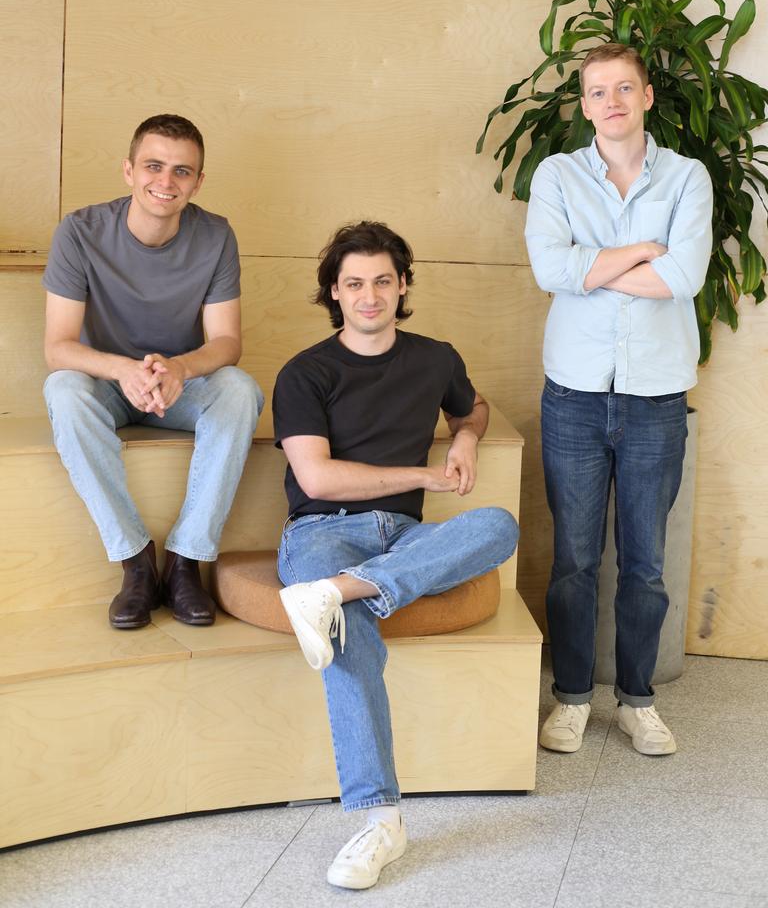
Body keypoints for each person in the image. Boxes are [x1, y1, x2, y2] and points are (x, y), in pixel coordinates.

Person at [272, 221, 519, 889]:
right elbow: (318, 480)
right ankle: (381, 820)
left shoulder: (435, 357)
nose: (371, 294)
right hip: (321, 531)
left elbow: (475, 407)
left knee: (497, 524)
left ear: (403, 285)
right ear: (335, 292)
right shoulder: (306, 371)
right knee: (350, 637)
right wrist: (425, 477)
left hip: (402, 538)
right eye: (355, 283)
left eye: (383, 280)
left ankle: (339, 590)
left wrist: (464, 438)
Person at [525, 43, 713, 756]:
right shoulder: (558, 175)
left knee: (646, 562)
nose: (612, 102)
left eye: (624, 88)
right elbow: (551, 267)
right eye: (598, 91)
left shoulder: (687, 177)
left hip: (657, 395)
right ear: (585, 104)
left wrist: (594, 267)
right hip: (573, 391)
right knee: (573, 558)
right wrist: (642, 250)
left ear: (647, 98)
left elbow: (684, 277)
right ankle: (571, 697)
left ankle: (637, 700)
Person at [42, 114, 263, 630]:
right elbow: (58, 347)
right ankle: (136, 561)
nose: (166, 182)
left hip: (176, 387)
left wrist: (179, 369)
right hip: (109, 384)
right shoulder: (79, 231)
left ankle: (186, 560)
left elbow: (227, 342)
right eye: (154, 166)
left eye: (183, 171)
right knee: (64, 390)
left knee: (240, 390)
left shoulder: (216, 235)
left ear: (199, 181)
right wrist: (124, 371)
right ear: (128, 170)